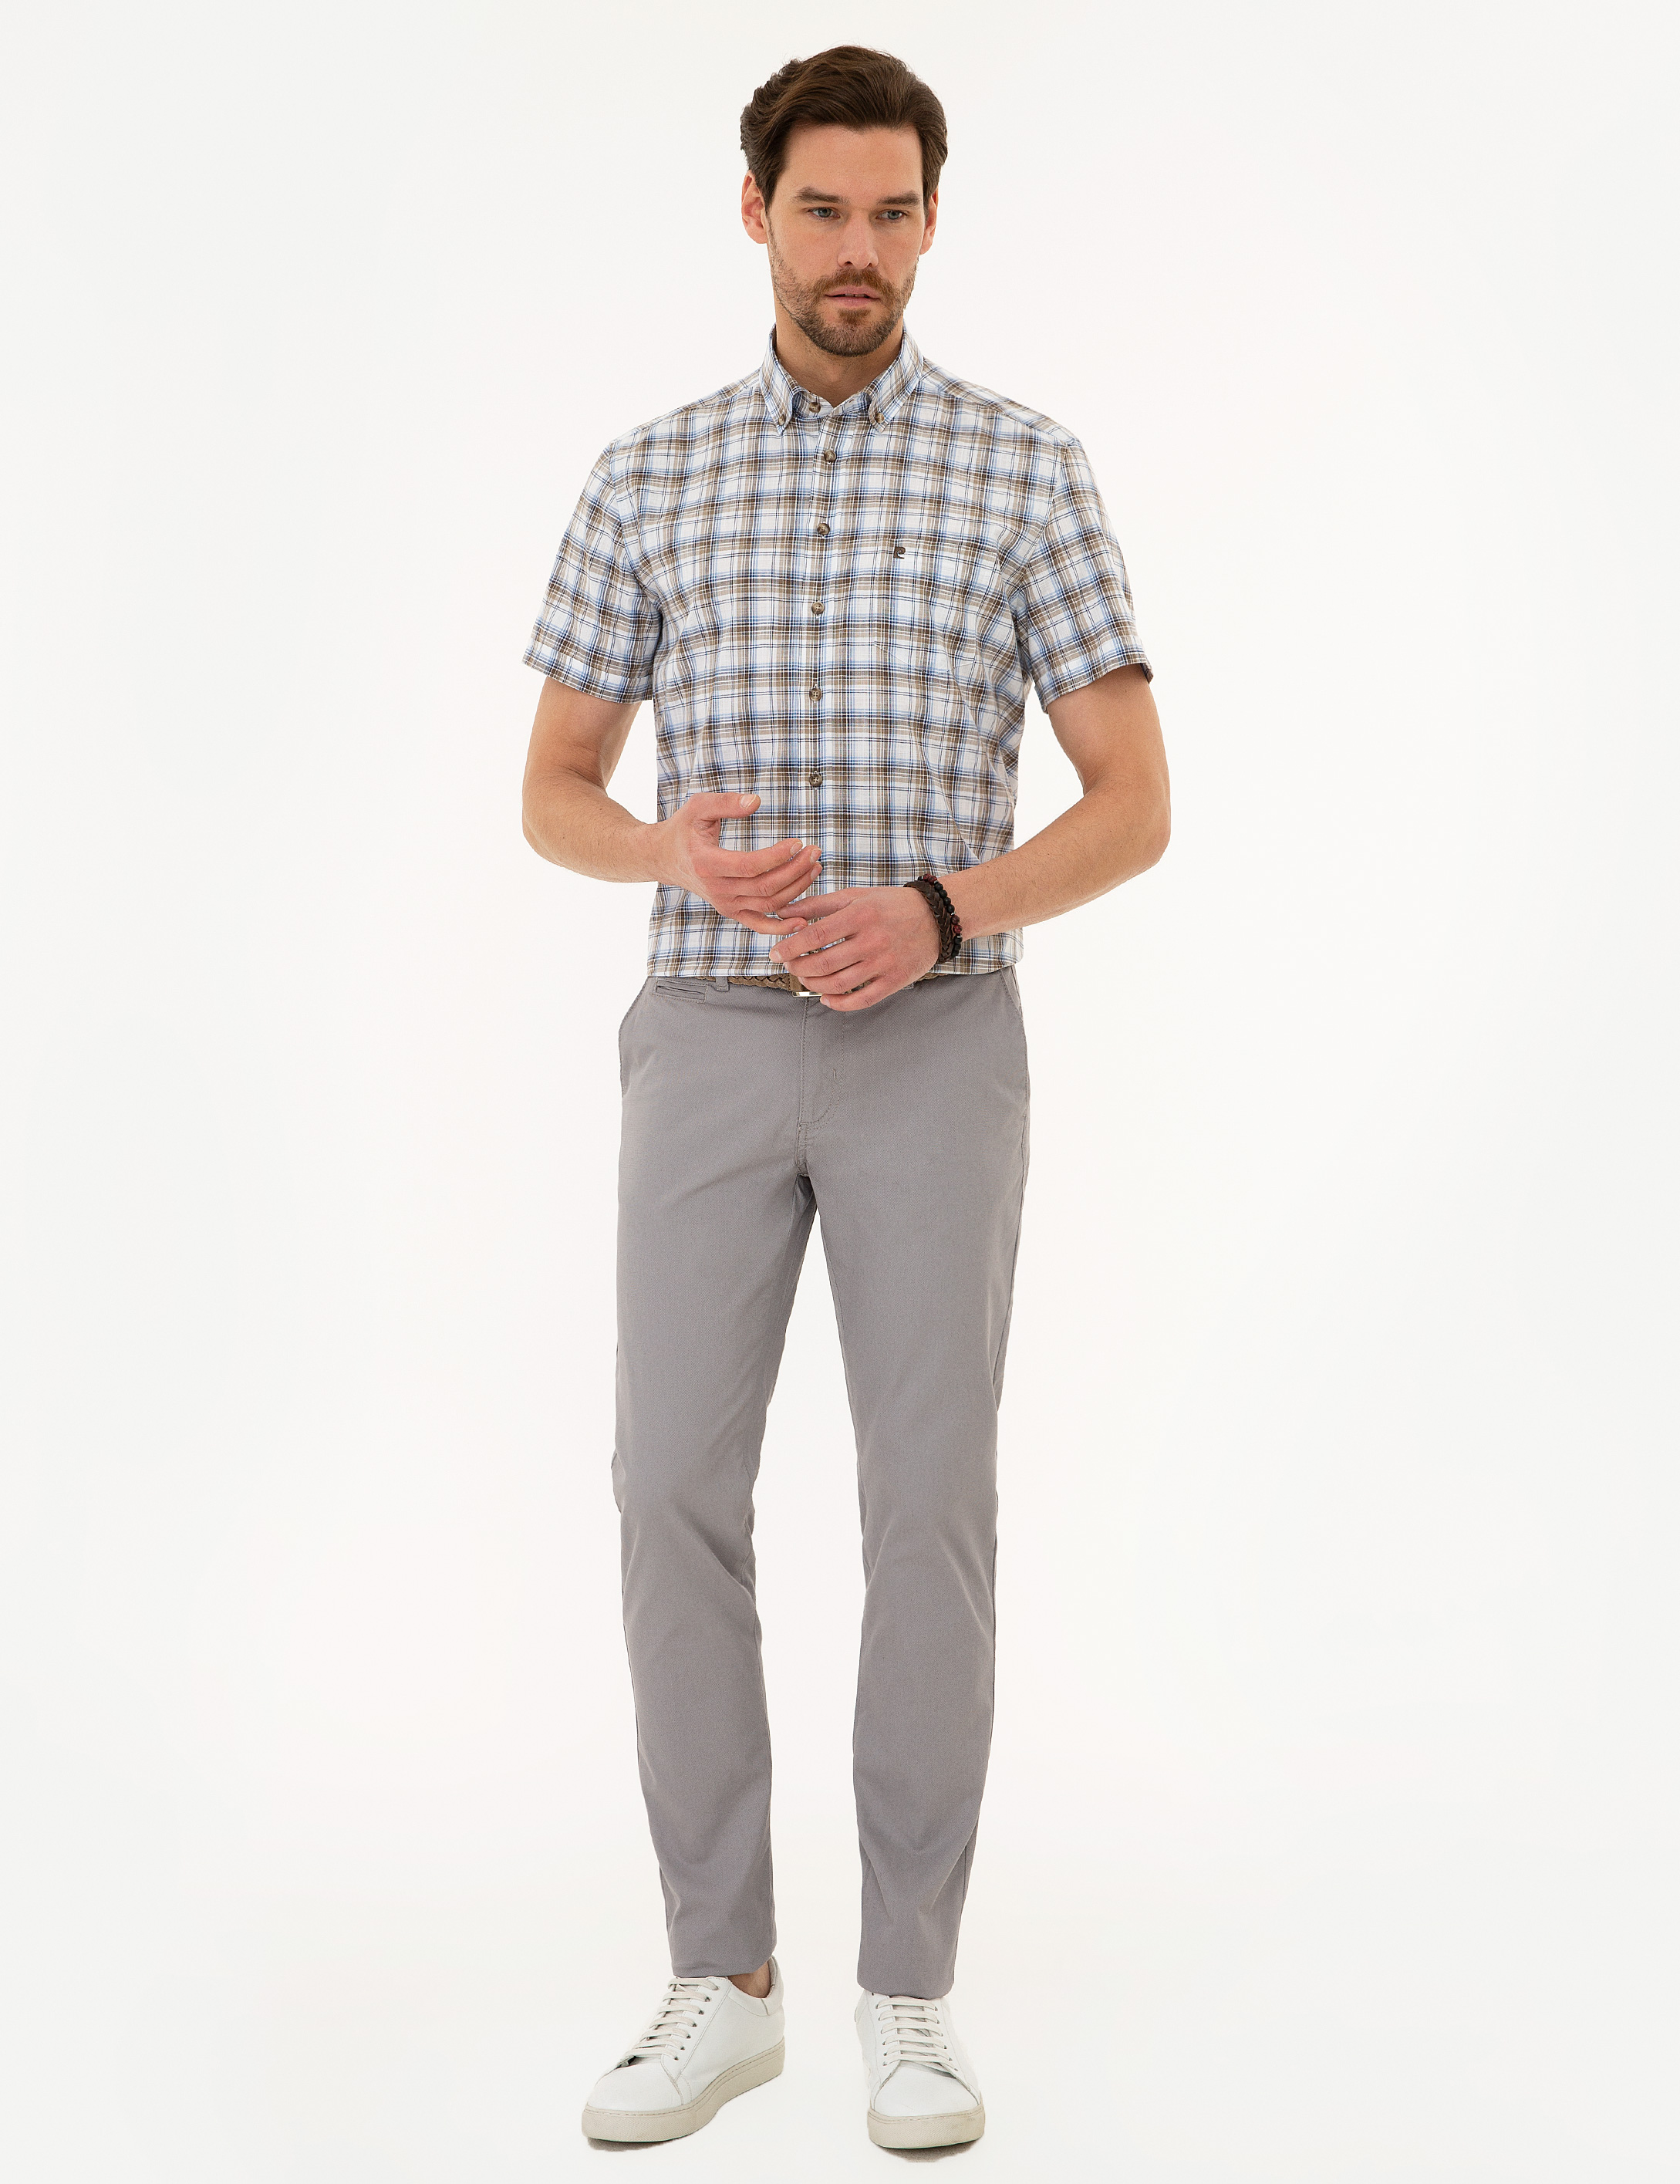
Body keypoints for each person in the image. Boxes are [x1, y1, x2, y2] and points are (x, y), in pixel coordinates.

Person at [520, 43, 1169, 2151]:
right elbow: (552, 790)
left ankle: (910, 1990)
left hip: (935, 1047)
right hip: (705, 1035)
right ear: (755, 212)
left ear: (931, 222)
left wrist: (941, 907)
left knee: (928, 1509)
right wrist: (665, 850)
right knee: (667, 1493)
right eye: (823, 210)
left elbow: (1133, 801)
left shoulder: (1024, 466)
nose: (857, 251)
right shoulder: (648, 472)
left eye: (893, 213)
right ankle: (724, 1980)